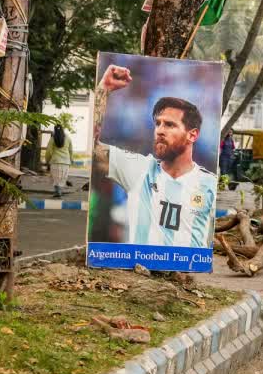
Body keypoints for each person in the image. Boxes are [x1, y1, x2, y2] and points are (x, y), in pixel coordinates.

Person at [92, 64, 216, 248]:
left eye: (169, 125)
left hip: (186, 275)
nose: (159, 131)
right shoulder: (139, 170)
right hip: (140, 273)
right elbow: (93, 148)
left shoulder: (209, 184)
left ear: (193, 135)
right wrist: (104, 89)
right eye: (158, 124)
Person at [46, 124, 73, 198]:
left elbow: (48, 151)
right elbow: (70, 151)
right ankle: (59, 191)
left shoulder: (53, 138)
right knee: (62, 178)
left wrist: (47, 160)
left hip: (55, 161)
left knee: (55, 178)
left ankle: (57, 191)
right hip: (66, 162)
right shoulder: (68, 138)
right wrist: (71, 160)